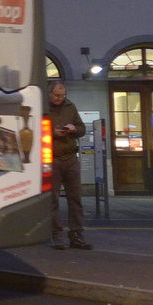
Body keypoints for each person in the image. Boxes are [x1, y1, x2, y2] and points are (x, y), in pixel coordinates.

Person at [48, 81, 90, 250]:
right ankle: (57, 236)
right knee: (53, 199)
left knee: (75, 198)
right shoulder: (44, 108)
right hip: (52, 158)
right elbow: (35, 129)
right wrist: (52, 132)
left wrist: (74, 129)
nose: (60, 98)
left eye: (63, 95)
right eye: (57, 95)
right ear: (50, 93)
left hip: (71, 157)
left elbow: (82, 128)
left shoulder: (70, 107)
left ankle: (77, 235)